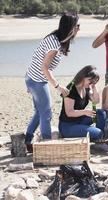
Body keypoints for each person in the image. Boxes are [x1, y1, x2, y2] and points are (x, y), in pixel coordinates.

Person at [25, 13, 80, 152]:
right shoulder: (54, 45)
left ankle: (27, 139)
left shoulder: (57, 38)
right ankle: (47, 145)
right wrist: (58, 86)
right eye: (77, 26)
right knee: (47, 114)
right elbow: (45, 68)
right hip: (37, 81)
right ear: (71, 28)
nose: (79, 29)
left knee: (40, 112)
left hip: (32, 78)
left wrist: (30, 83)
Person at [58, 65, 105, 141]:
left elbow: (95, 101)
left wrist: (94, 87)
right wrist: (85, 112)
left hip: (80, 121)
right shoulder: (71, 88)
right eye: (90, 80)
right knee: (98, 133)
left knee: (100, 113)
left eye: (93, 81)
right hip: (67, 126)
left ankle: (98, 139)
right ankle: (98, 137)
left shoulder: (86, 87)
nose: (91, 83)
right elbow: (69, 112)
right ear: (83, 76)